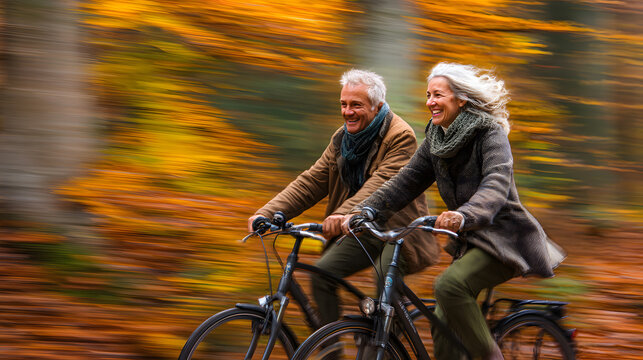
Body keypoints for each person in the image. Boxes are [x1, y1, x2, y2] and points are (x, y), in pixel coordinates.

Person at [339, 62, 566, 360]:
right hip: (470, 241)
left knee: (449, 285)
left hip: (504, 238)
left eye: (438, 95)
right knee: (443, 323)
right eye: (428, 94)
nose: (430, 101)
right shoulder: (436, 136)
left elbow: (496, 185)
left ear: (460, 99)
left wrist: (463, 215)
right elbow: (405, 182)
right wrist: (363, 211)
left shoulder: (490, 134)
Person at [248, 69, 439, 326]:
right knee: (321, 275)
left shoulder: (400, 136)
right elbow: (312, 180)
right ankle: (329, 347)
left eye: (356, 105)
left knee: (383, 283)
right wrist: (267, 213)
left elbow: (381, 183)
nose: (347, 111)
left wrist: (342, 214)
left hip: (397, 232)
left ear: (377, 106)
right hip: (361, 229)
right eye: (344, 104)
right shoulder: (342, 139)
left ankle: (381, 345)